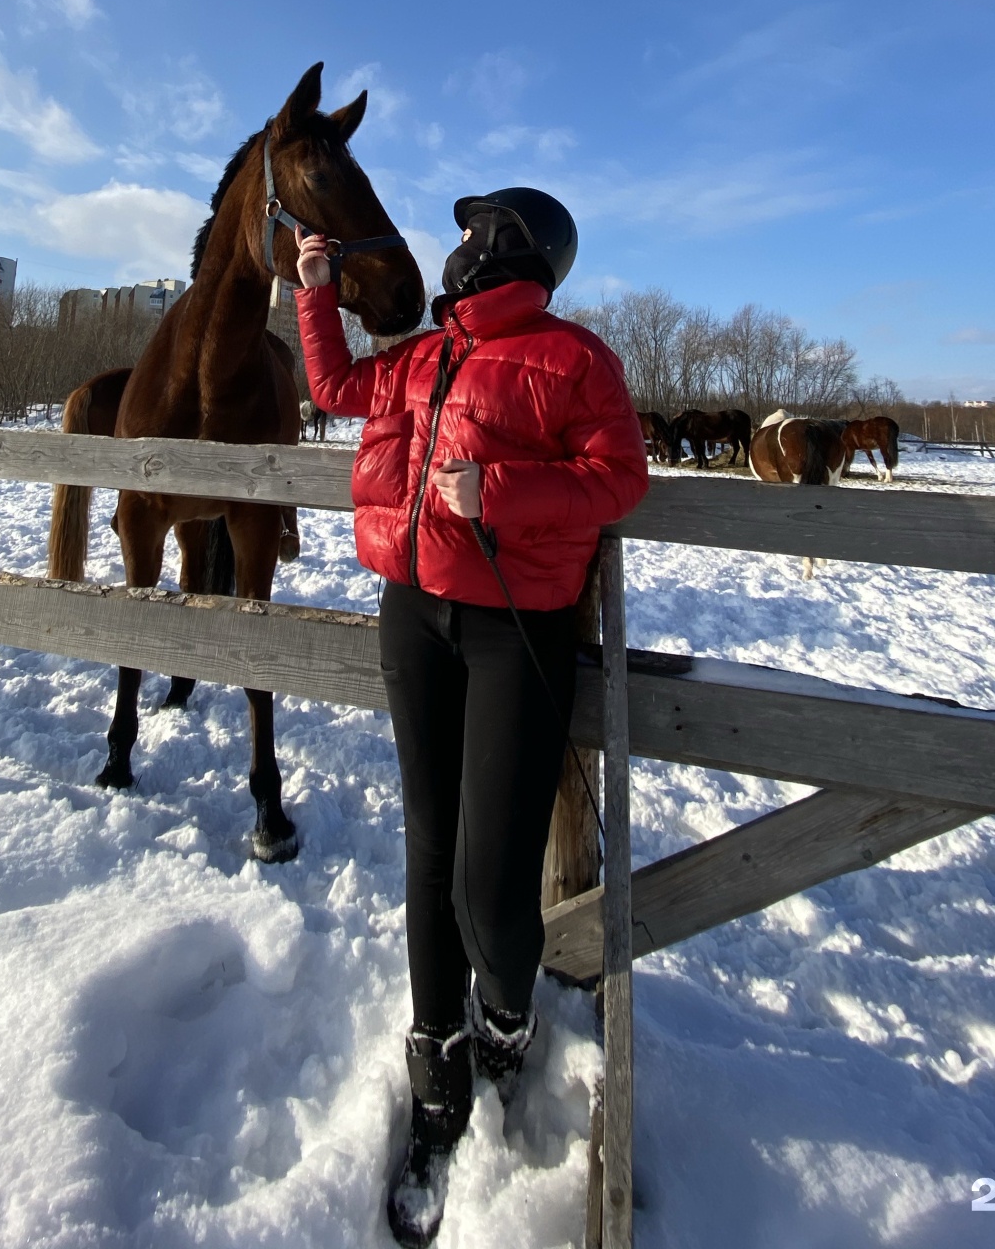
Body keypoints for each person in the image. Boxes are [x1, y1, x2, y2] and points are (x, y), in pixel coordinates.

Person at [295, 188, 650, 1246]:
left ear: (512, 247)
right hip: (413, 616)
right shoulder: (420, 354)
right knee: (428, 844)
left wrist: (496, 490)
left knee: (490, 873)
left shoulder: (575, 359)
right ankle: (436, 1057)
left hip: (515, 631)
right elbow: (334, 385)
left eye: (467, 233)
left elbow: (617, 479)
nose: (452, 252)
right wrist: (315, 294)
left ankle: (506, 1010)